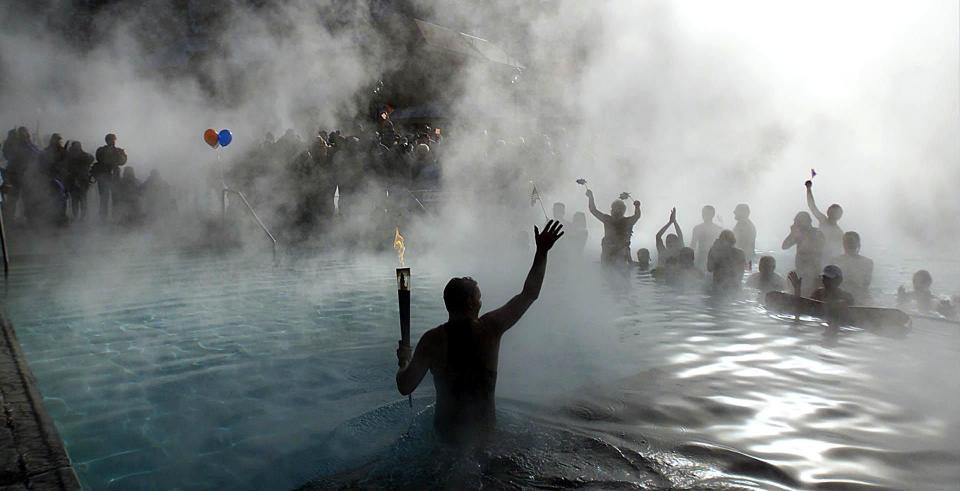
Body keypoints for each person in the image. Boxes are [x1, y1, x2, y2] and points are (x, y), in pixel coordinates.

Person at [396, 220, 564, 444]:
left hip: (447, 438)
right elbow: (530, 293)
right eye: (479, 296)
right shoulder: (490, 329)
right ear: (470, 302)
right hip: (485, 436)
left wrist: (403, 362)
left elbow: (405, 386)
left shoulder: (433, 341)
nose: (481, 300)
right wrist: (542, 252)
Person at [585, 189, 641, 266]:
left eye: (617, 209)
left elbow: (637, 216)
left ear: (622, 211)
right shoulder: (608, 219)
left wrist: (637, 207)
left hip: (620, 254)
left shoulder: (626, 221)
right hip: (608, 254)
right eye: (614, 209)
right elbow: (593, 210)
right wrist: (591, 197)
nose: (614, 211)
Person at [781, 211, 824, 297]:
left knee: (810, 295)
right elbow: (784, 246)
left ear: (808, 222)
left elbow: (819, 251)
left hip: (813, 272)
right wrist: (792, 234)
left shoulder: (817, 233)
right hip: (800, 270)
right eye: (796, 222)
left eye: (798, 222)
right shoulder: (799, 234)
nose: (796, 225)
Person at [830, 231, 873, 304]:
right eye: (847, 242)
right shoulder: (835, 260)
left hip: (860, 296)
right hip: (840, 296)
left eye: (851, 242)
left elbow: (866, 284)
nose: (849, 245)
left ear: (858, 244)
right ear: (843, 244)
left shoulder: (867, 262)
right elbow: (830, 283)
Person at [806, 180, 843, 260]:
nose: (832, 213)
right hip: (816, 256)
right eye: (831, 211)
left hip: (825, 258)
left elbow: (839, 250)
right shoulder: (823, 220)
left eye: (834, 212)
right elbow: (812, 206)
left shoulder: (839, 232)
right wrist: (808, 189)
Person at [93, 133, 127, 221]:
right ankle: (103, 218)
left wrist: (117, 153)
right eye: (111, 140)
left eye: (113, 140)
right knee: (104, 199)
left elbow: (123, 161)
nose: (113, 142)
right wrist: (108, 152)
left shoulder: (118, 151)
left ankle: (115, 217)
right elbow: (99, 158)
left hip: (114, 177)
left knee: (115, 198)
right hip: (104, 176)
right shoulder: (101, 150)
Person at [65, 141, 94, 220]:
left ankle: (81, 217)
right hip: (73, 180)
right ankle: (77, 217)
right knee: (76, 200)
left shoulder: (83, 156)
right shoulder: (70, 156)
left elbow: (91, 158)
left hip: (82, 180)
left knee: (82, 199)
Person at [690, 205, 722, 271]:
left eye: (706, 213)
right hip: (701, 257)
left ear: (712, 215)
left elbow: (721, 247)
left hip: (714, 258)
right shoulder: (697, 228)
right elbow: (693, 245)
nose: (704, 215)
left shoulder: (718, 229)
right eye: (703, 212)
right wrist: (690, 259)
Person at [732, 204, 756, 268]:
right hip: (746, 256)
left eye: (736, 212)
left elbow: (738, 241)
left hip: (742, 257)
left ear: (743, 213)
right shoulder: (746, 223)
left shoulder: (743, 224)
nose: (734, 213)